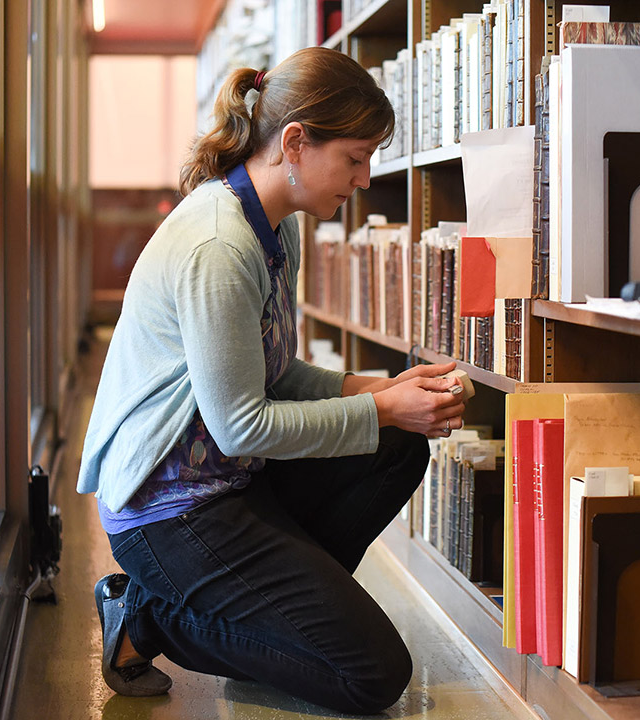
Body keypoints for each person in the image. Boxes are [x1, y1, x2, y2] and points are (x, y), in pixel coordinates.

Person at [77, 46, 465, 714]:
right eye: (354, 157)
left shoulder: (266, 226)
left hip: (225, 479)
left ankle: (274, 624)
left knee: (397, 445)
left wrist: (380, 391)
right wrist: (384, 409)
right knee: (371, 676)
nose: (366, 178)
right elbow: (242, 423)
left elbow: (274, 374)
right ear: (295, 143)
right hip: (170, 510)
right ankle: (145, 619)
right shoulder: (221, 245)